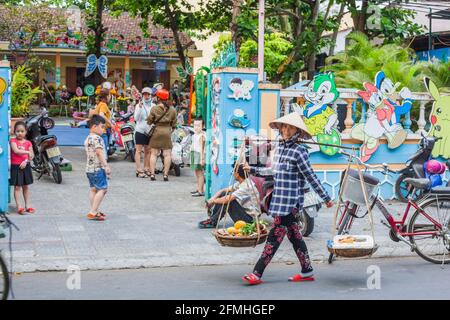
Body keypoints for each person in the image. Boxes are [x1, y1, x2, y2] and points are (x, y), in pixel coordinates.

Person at [242, 112, 334, 285]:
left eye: (291, 128)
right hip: (279, 200)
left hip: (291, 203)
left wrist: (326, 197)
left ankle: (257, 273)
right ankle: (307, 271)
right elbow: (273, 172)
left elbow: (311, 176)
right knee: (295, 237)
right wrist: (252, 169)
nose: (286, 130)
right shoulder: (280, 149)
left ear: (297, 132)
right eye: (285, 126)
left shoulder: (299, 152)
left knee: (274, 236)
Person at [198, 164, 258, 228]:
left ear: (237, 174)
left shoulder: (246, 186)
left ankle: (213, 221)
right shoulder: (242, 182)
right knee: (224, 193)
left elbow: (227, 199)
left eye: (233, 172)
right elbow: (223, 190)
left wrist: (213, 201)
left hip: (250, 220)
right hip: (245, 214)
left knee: (228, 200)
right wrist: (212, 199)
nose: (232, 174)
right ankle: (213, 219)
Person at [84, 115, 111, 221]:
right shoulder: (98, 139)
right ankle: (93, 211)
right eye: (102, 127)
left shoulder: (88, 138)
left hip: (89, 169)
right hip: (98, 168)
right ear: (94, 126)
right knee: (103, 189)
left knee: (93, 189)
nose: (103, 130)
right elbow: (99, 153)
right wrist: (106, 166)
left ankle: (94, 209)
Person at [146, 89, 177, 181]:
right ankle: (165, 175)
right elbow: (174, 124)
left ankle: (152, 175)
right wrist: (169, 130)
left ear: (158, 98)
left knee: (154, 154)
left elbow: (149, 121)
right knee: (167, 154)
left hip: (156, 132)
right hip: (167, 132)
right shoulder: (172, 109)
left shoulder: (154, 108)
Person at [9, 121, 35, 214]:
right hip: (16, 167)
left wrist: (26, 161)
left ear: (26, 132)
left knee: (26, 187)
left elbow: (32, 156)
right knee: (17, 187)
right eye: (17, 131)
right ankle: (19, 207)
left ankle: (27, 206)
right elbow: (16, 151)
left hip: (25, 166)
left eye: (22, 131)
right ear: (14, 131)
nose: (20, 133)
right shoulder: (12, 141)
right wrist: (27, 152)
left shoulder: (28, 143)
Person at [134, 87, 153, 178]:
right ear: (142, 95)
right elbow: (136, 119)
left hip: (149, 131)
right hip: (140, 130)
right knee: (138, 151)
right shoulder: (138, 105)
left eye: (148, 94)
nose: (146, 96)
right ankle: (139, 169)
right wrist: (140, 108)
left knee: (148, 151)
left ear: (150, 95)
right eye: (144, 94)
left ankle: (146, 168)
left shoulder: (153, 106)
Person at [92, 89, 112, 157]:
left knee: (99, 151)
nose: (110, 97)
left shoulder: (99, 104)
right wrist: (110, 123)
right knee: (103, 153)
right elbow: (101, 114)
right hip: (102, 132)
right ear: (106, 96)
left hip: (96, 131)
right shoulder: (103, 104)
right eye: (109, 95)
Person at [190, 119, 205, 196]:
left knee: (200, 174)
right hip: (194, 154)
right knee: (197, 173)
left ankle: (200, 191)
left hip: (198, 155)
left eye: (198, 125)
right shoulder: (194, 135)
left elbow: (202, 148)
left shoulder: (202, 136)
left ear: (203, 126)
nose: (196, 127)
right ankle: (199, 188)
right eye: (195, 125)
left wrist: (202, 159)